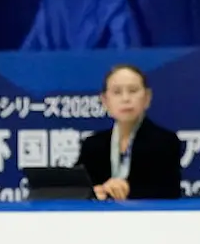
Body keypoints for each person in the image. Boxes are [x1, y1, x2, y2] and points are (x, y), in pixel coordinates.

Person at [76, 65, 182, 201]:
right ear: (105, 101)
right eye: (117, 92)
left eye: (133, 91)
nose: (125, 98)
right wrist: (96, 192)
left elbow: (170, 192)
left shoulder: (165, 142)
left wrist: (127, 190)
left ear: (147, 97)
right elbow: (76, 189)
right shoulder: (92, 144)